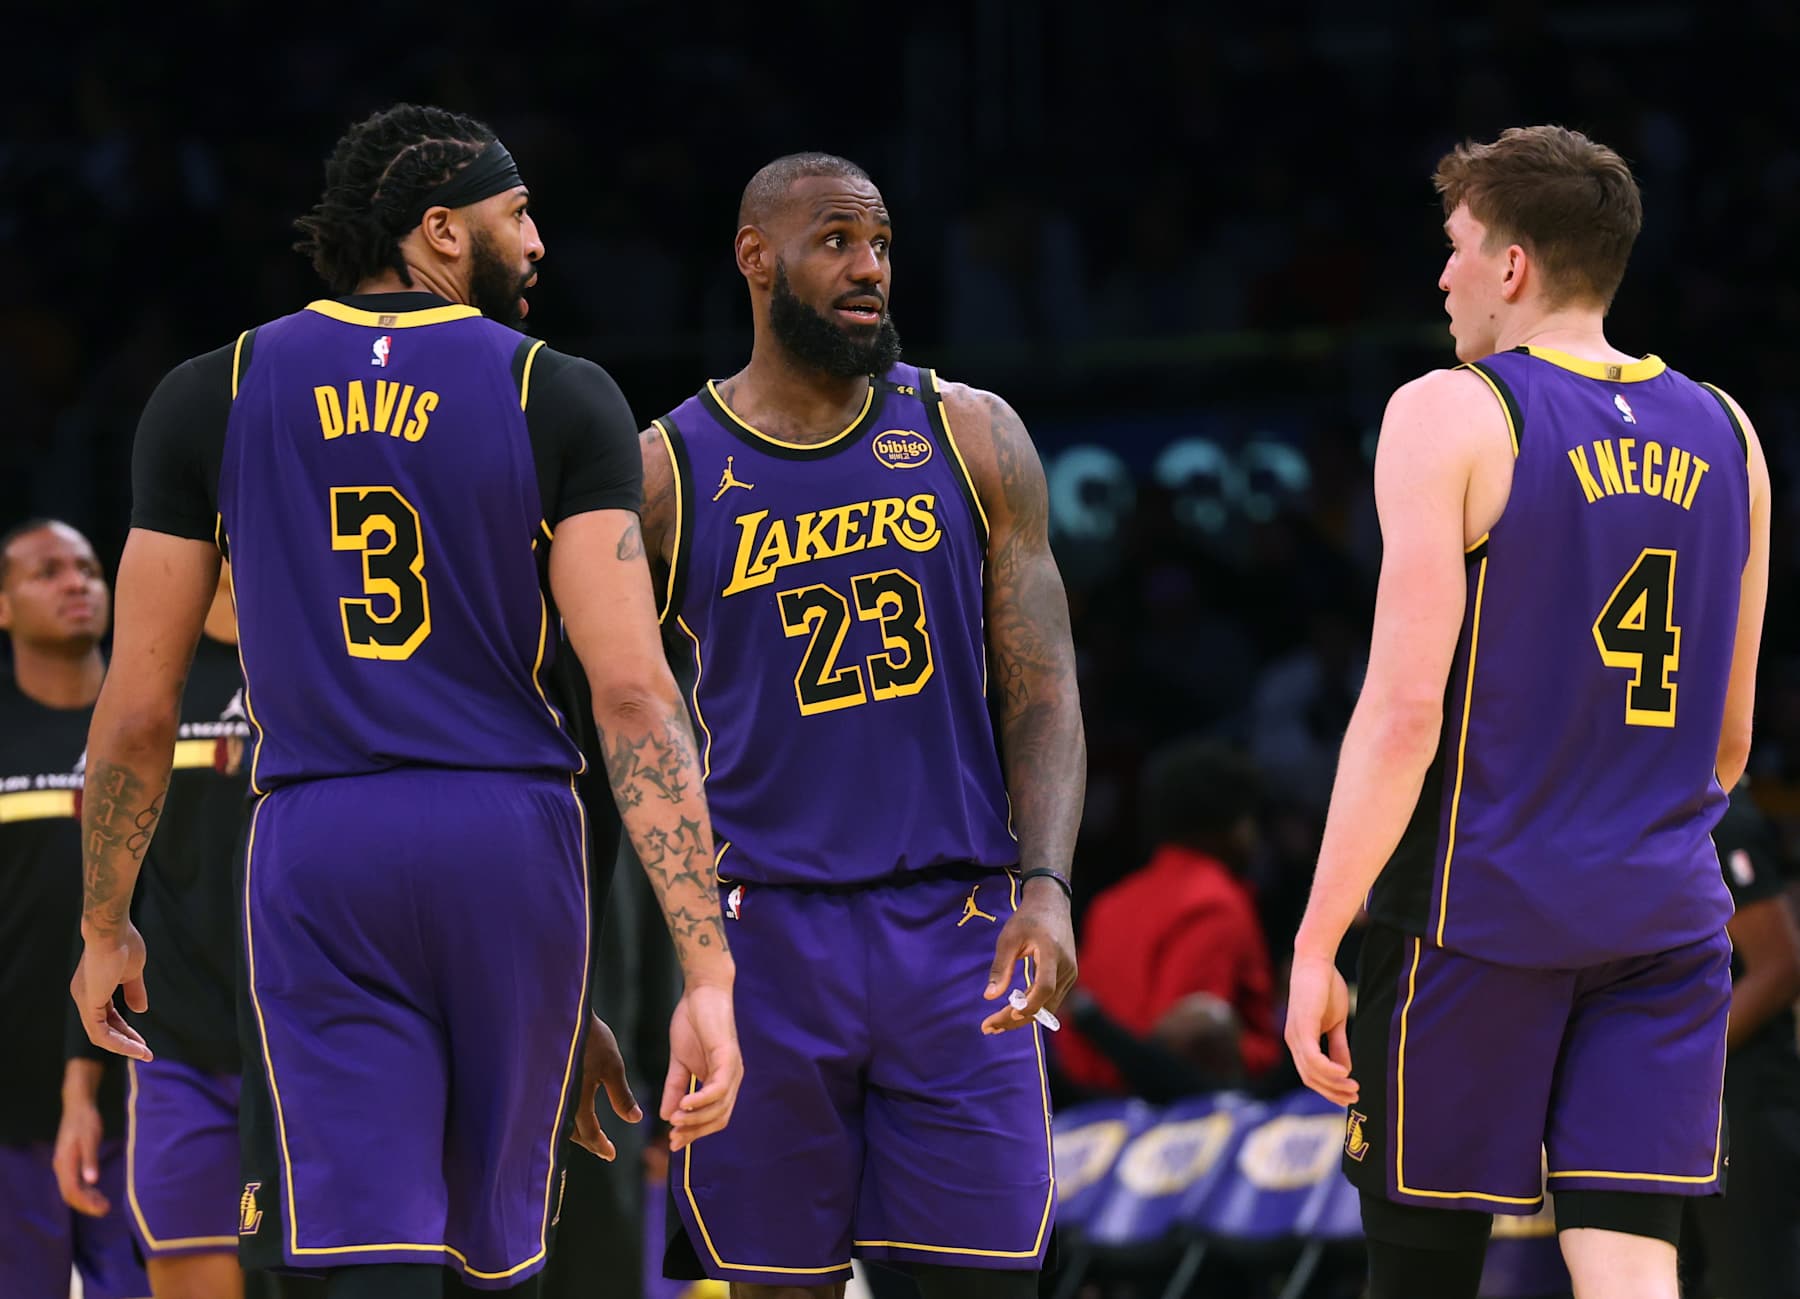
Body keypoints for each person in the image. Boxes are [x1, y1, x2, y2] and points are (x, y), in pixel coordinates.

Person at [68, 102, 743, 1299]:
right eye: (516, 213)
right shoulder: (558, 391)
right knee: (494, 1256)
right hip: (510, 839)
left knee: (366, 1252)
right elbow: (637, 699)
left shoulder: (212, 390)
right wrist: (707, 971)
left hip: (322, 838)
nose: (537, 242)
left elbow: (136, 711)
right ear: (439, 229)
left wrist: (104, 923)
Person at [1283, 124, 1770, 1299]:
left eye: (1456, 247)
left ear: (1511, 265)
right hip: (1663, 923)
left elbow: (1403, 713)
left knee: (1421, 1271)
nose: (1442, 275)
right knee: (1634, 1270)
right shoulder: (1730, 431)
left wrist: (1316, 940)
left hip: (1480, 919)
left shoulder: (1451, 412)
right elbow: (1730, 740)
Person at [639, 152, 1085, 1299]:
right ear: (756, 257)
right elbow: (622, 733)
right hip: (764, 933)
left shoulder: (972, 434)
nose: (869, 268)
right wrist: (675, 963)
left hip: (959, 924)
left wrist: (1046, 885)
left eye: (881, 244)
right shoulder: (666, 471)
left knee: (983, 1283)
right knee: (773, 1283)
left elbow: (1042, 689)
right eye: (836, 241)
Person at [0, 518, 149, 1299]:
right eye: (47, 571)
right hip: (10, 1108)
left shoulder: (151, 725)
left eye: (88, 567)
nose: (77, 583)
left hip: (150, 1089)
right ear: (2, 605)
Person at [1056, 737, 1279, 1097]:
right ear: (1235, 826)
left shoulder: (1109, 904)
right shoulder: (1216, 903)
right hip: (1181, 1110)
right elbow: (1191, 1043)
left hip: (1090, 1108)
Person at [1679, 784, 1800, 1298]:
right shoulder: (1647, 809)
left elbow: (1780, 967)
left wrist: (1675, 1058)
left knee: (1750, 1278)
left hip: (1744, 1100)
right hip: (1678, 1108)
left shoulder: (1721, 816)